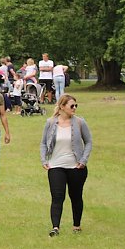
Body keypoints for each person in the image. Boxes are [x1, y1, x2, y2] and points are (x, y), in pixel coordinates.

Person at [40, 94, 93, 236]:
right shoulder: (51, 122)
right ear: (62, 106)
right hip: (56, 166)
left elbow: (88, 142)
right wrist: (44, 160)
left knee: (76, 196)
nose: (74, 108)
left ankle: (76, 225)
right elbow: (43, 143)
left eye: (76, 105)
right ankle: (55, 227)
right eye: (71, 106)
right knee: (57, 196)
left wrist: (83, 160)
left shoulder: (80, 122)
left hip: (76, 167)